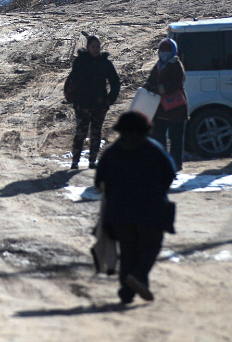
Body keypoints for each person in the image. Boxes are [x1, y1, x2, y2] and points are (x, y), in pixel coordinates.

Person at [95, 111, 176, 304]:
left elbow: (99, 182)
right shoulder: (154, 149)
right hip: (151, 209)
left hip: (119, 211)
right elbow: (170, 174)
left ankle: (127, 292)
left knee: (128, 250)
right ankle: (138, 278)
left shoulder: (112, 152)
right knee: (151, 246)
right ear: (145, 128)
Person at [65, 34, 120, 169]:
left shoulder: (105, 63)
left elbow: (115, 82)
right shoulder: (80, 62)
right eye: (93, 47)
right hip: (82, 103)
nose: (95, 49)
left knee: (96, 133)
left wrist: (108, 100)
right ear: (88, 47)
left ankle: (92, 161)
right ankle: (75, 161)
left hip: (99, 106)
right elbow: (78, 82)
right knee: (81, 133)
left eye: (97, 47)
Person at [143, 38, 187, 171]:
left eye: (167, 51)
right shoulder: (159, 65)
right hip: (160, 108)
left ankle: (176, 164)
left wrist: (160, 88)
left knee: (175, 138)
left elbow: (176, 83)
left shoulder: (175, 64)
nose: (163, 53)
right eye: (161, 51)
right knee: (158, 136)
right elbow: (151, 79)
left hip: (176, 108)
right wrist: (148, 85)